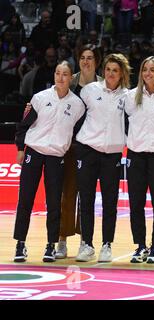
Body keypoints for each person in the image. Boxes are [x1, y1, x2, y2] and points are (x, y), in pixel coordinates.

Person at [13, 61, 85, 263]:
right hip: (34, 152)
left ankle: (51, 245)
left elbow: (79, 132)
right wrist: (20, 148)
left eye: (65, 74)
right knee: (25, 200)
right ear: (54, 75)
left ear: (71, 78)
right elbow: (23, 125)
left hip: (56, 156)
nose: (61, 77)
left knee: (54, 202)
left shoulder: (78, 105)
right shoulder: (39, 98)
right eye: (57, 73)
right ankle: (20, 244)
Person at [74, 53, 130, 263]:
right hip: (87, 150)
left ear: (121, 73)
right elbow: (73, 112)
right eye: (108, 70)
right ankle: (86, 244)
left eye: (115, 70)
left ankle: (107, 244)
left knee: (110, 202)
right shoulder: (89, 91)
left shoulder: (129, 96)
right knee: (86, 200)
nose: (110, 74)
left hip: (112, 155)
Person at [55, 45, 103, 259]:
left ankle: (86, 240)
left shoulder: (104, 84)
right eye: (82, 57)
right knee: (67, 194)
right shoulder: (70, 80)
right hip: (69, 146)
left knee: (87, 196)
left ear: (97, 61)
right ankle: (62, 241)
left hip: (93, 147)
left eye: (90, 58)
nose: (86, 61)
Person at [125, 56, 154, 263]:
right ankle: (140, 245)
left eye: (153, 70)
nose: (148, 74)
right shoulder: (130, 96)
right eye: (145, 70)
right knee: (136, 203)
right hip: (135, 155)